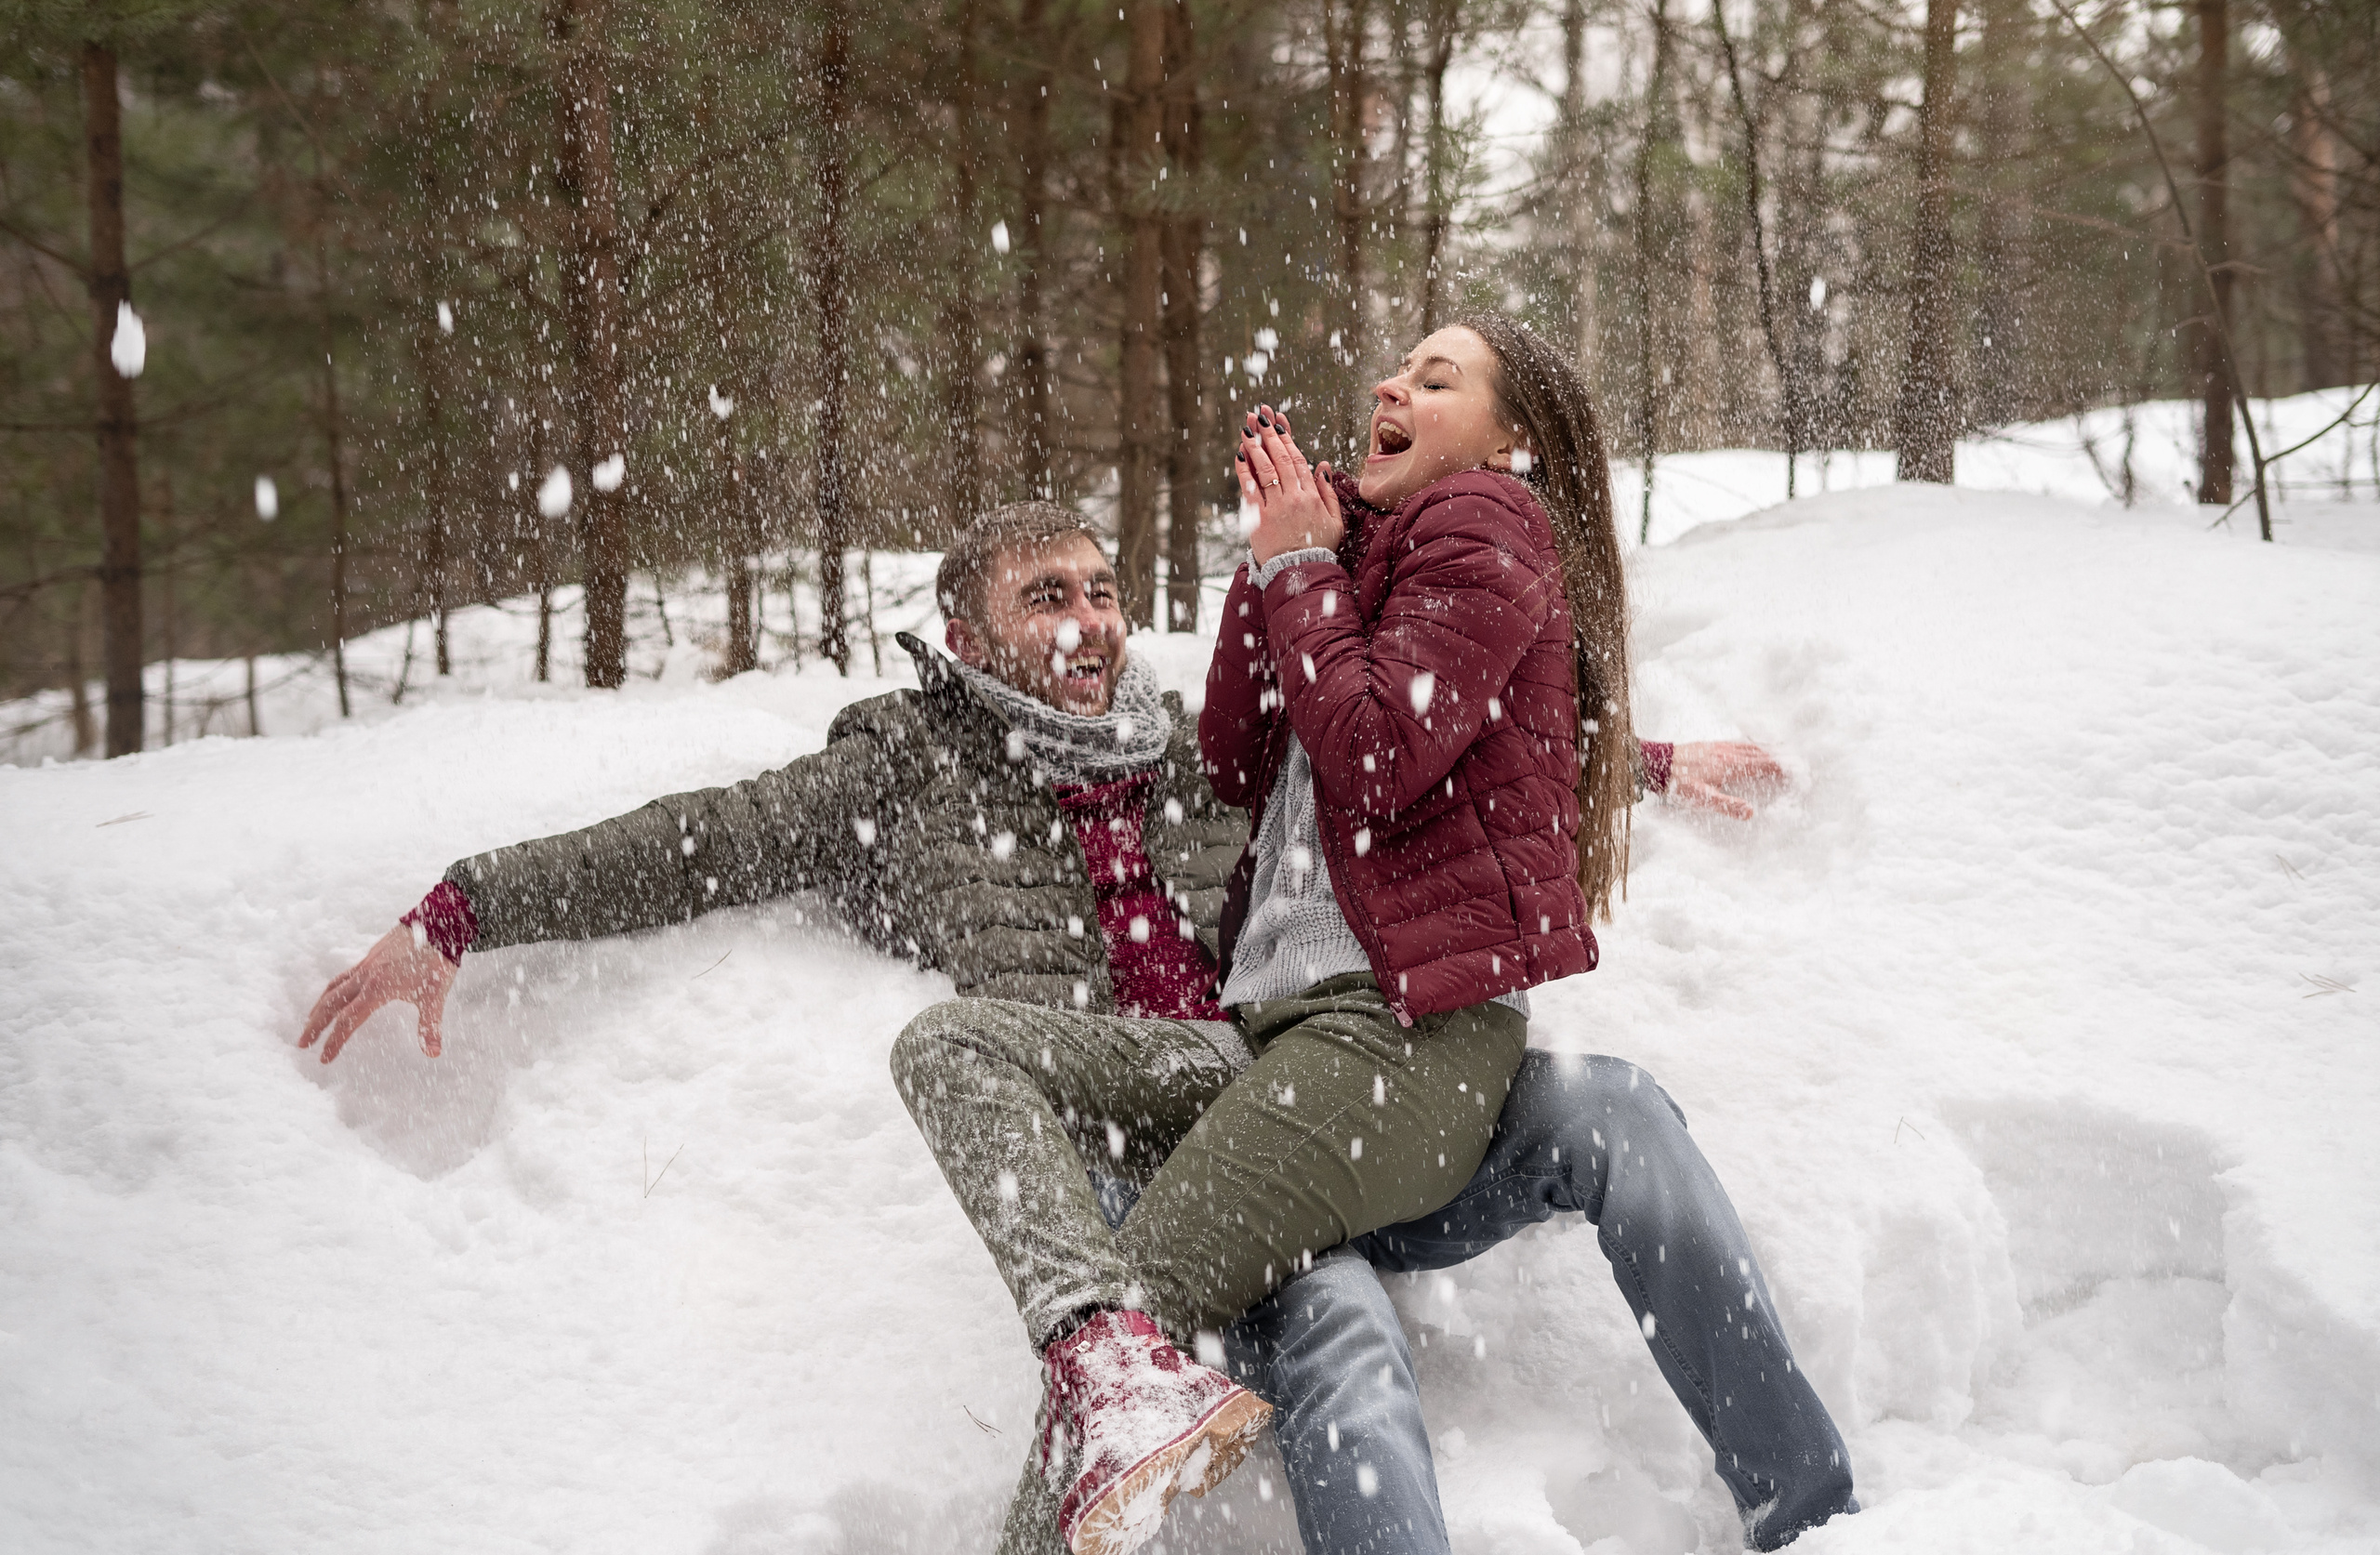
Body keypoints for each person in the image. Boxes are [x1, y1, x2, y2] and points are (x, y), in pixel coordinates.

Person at [298, 502, 1841, 1555]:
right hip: (1171, 1152)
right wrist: (463, 908)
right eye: (1049, 596)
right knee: (1351, 1341)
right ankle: (1114, 1377)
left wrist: (1630, 759)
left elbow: (1416, 740)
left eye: (1103, 591)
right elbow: (695, 836)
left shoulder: (1189, 747)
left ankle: (1816, 1509)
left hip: (1332, 1085)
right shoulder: (902, 770)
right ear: (966, 632)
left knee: (1616, 1107)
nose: (1091, 623)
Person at [889, 314, 1854, 1555]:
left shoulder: (1485, 519)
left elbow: (1386, 751)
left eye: (1438, 378)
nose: (1393, 383)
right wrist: (1286, 557)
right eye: (1398, 370)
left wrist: (1301, 569)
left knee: (1130, 1352)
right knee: (1065, 1186)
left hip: (1380, 1041)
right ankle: (1809, 1503)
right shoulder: (1367, 566)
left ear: (1511, 439)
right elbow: (1249, 754)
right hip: (1284, 1046)